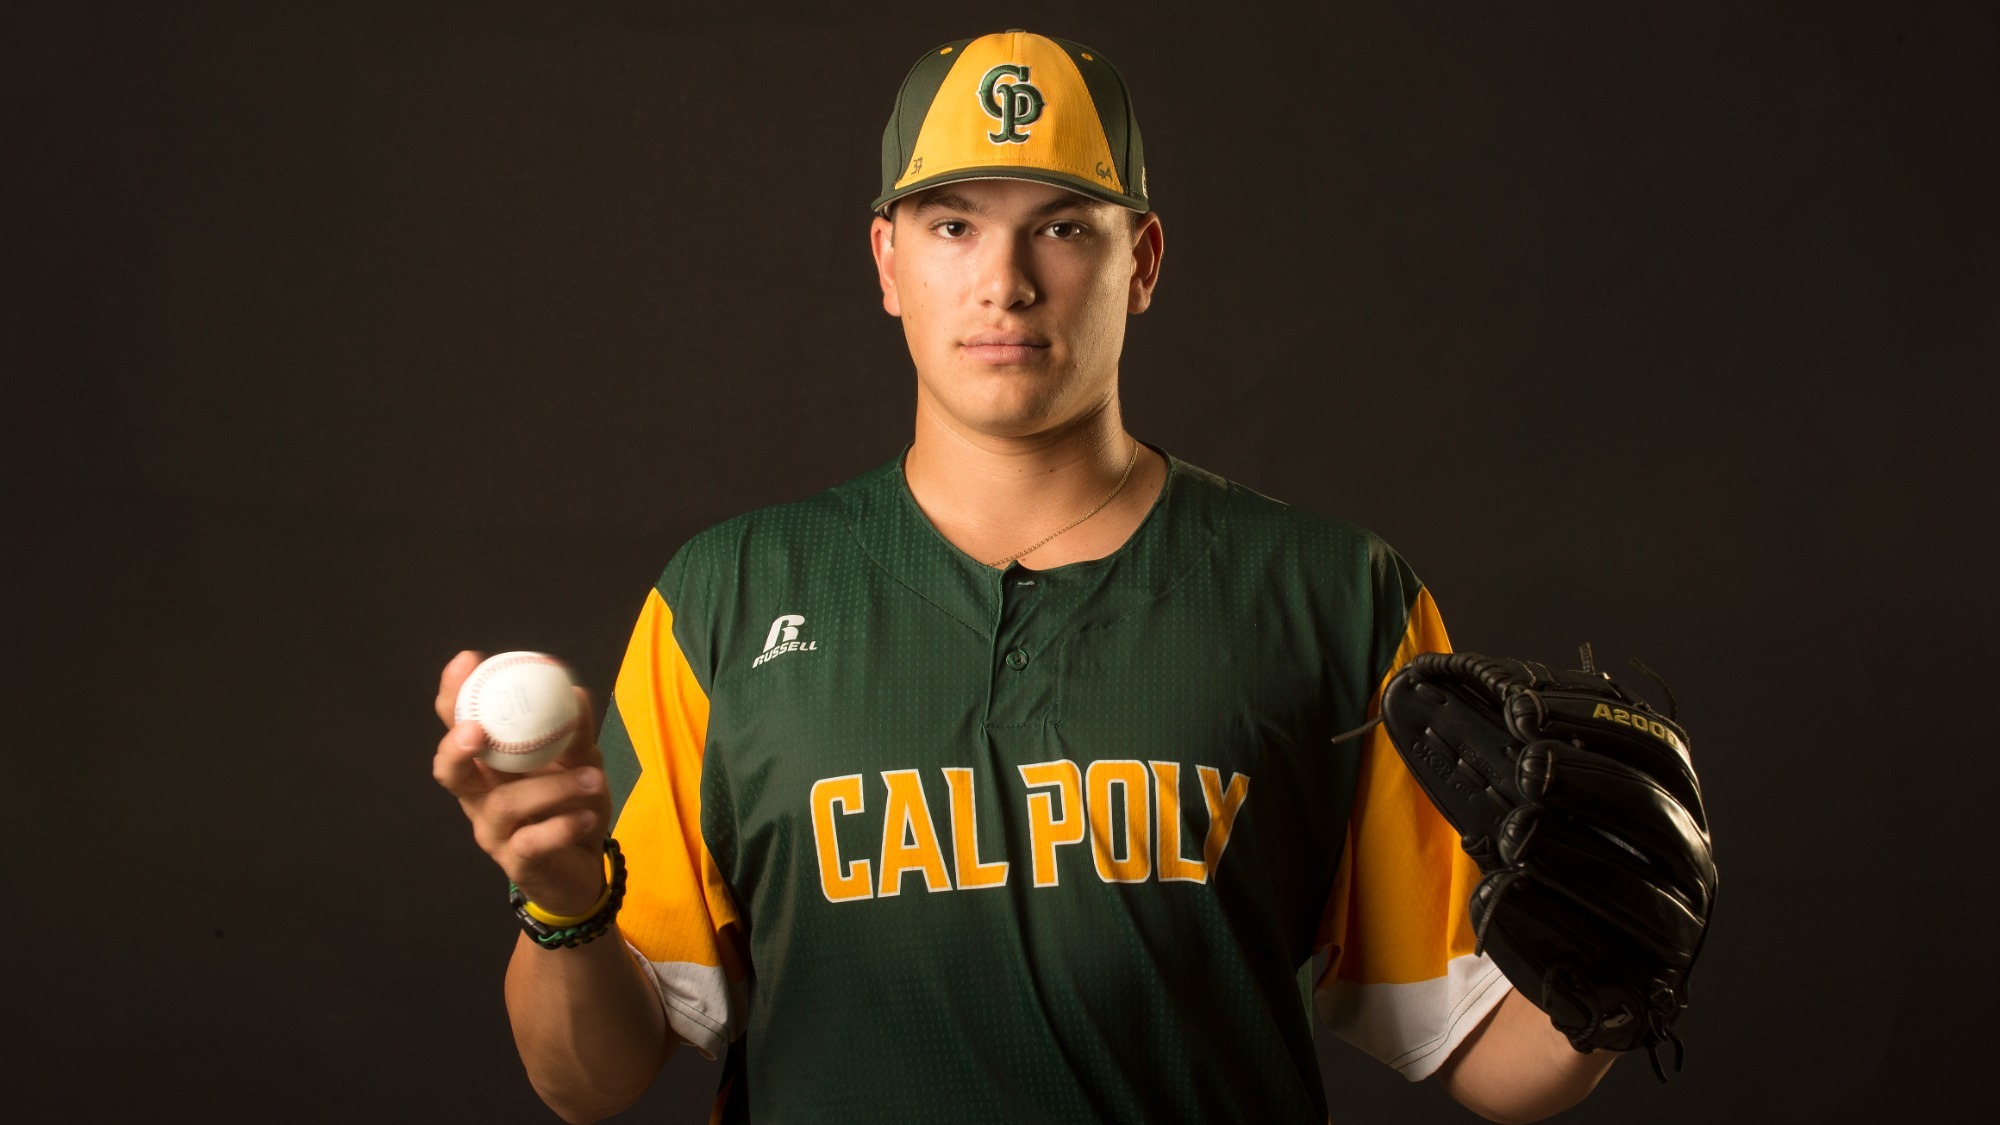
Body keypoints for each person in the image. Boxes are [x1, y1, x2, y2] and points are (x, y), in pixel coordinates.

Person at [433, 29, 1619, 1124]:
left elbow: (1476, 1046)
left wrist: (1609, 974)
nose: (1003, 280)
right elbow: (589, 1079)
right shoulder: (725, 596)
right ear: (886, 261)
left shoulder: (1331, 597)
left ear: (1140, 261)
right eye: (951, 224)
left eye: (1060, 225)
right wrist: (563, 898)